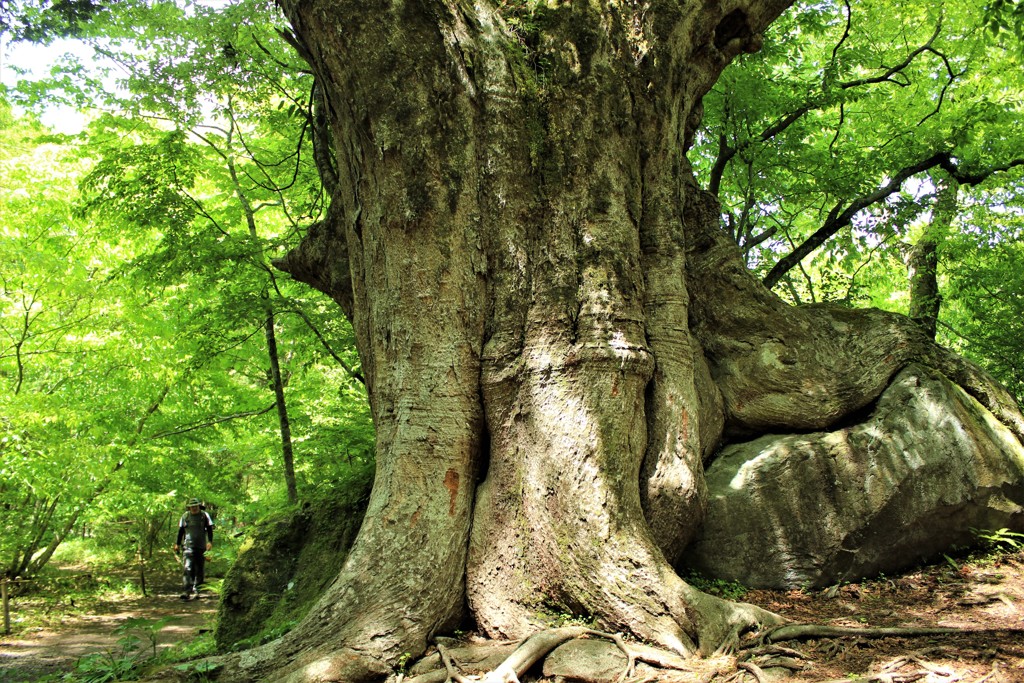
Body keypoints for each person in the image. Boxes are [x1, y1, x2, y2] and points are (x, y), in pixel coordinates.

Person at [173, 498, 214, 600]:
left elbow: (209, 529)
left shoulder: (204, 515)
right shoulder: (185, 516)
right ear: (189, 507)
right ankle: (186, 591)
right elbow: (181, 531)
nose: (194, 508)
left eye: (195, 506)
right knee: (188, 568)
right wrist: (177, 544)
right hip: (188, 547)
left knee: (199, 569)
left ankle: (197, 591)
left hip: (201, 547)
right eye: (192, 507)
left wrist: (210, 542)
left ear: (198, 506)